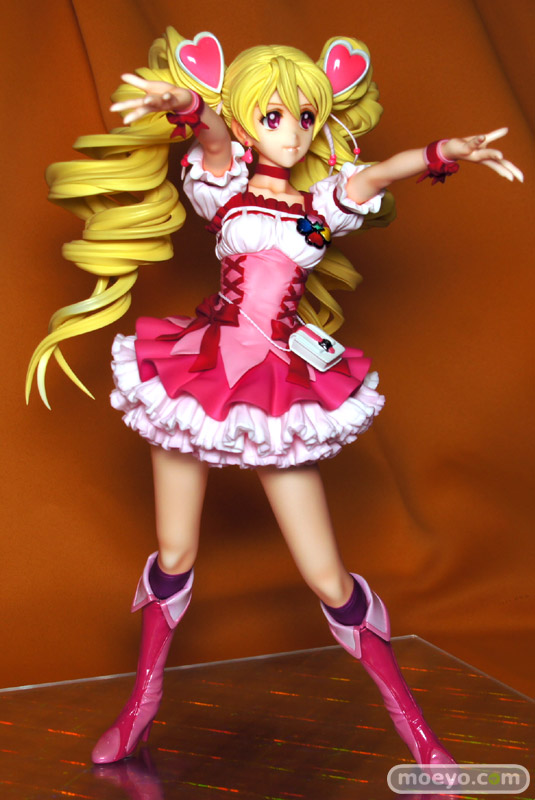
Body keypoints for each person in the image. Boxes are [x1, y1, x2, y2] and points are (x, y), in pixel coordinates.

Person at [26, 28, 522, 767]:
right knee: (174, 551)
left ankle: (420, 737)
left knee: (325, 576)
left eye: (305, 116)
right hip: (197, 375)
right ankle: (139, 711)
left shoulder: (321, 205)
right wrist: (189, 105)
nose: (291, 132)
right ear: (246, 118)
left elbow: (378, 173)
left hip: (276, 389)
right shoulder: (221, 183)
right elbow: (214, 133)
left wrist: (445, 151)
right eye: (272, 115)